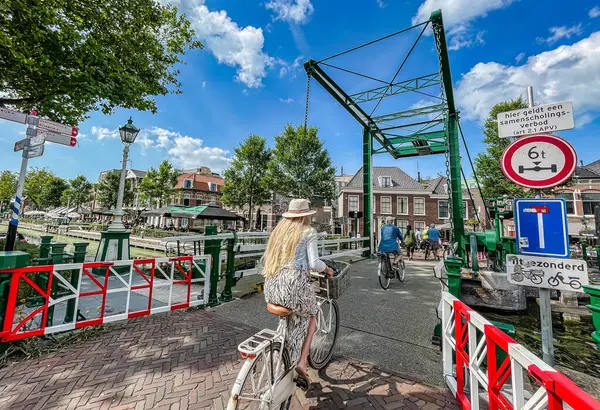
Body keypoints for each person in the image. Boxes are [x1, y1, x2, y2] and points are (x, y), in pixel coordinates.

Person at [262, 199, 334, 389]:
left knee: (291, 316)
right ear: (306, 216)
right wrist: (326, 269)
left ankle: (282, 355)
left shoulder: (278, 232)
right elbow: (314, 264)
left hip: (271, 286)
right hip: (293, 286)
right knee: (311, 315)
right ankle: (302, 362)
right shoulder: (308, 232)